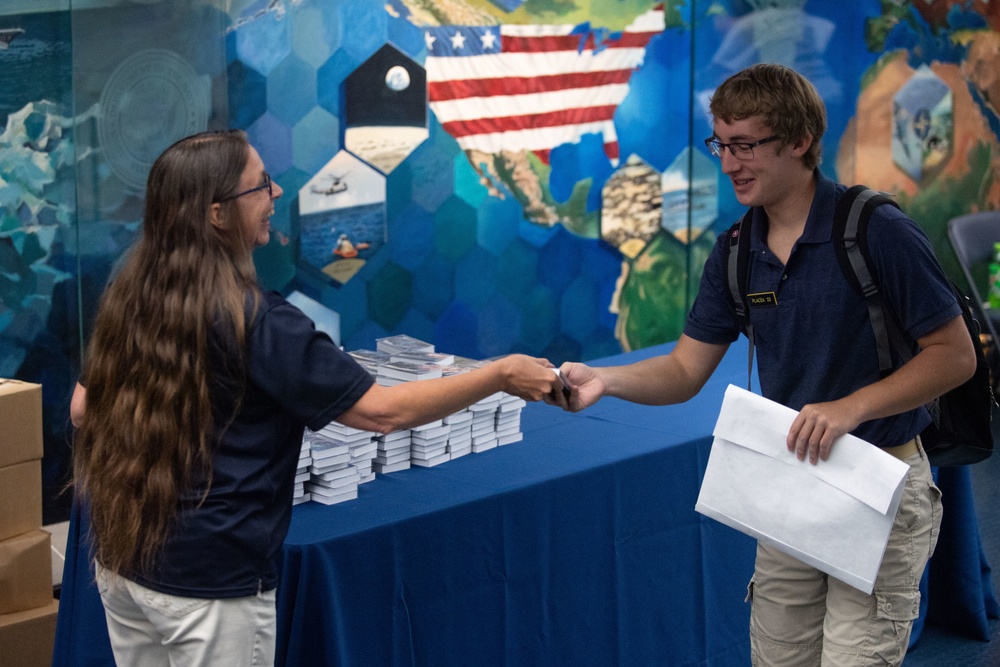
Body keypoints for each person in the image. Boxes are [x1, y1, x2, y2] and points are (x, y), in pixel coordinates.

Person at [69, 130, 563, 667]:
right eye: (259, 186)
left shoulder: (132, 293)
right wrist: (500, 374)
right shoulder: (258, 320)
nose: (276, 193)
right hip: (209, 587)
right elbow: (382, 412)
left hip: (126, 564)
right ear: (216, 213)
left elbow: (82, 410)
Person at [554, 63, 976, 665]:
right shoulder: (734, 252)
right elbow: (682, 371)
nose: (729, 164)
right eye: (721, 145)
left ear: (799, 141)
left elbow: (954, 356)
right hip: (792, 488)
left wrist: (851, 408)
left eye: (746, 145)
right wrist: (607, 380)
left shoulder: (875, 230)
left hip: (881, 483)